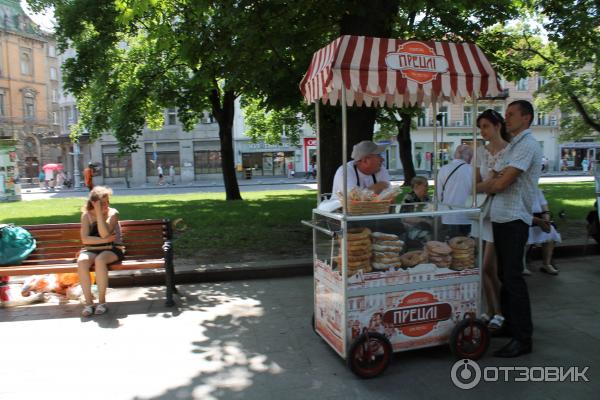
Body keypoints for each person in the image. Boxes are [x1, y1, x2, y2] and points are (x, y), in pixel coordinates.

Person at [477, 100, 542, 358]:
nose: (507, 118)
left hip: (515, 220)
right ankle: (511, 326)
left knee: (514, 279)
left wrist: (483, 186)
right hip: (502, 219)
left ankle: (523, 338)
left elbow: (500, 183)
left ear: (526, 118)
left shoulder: (527, 145)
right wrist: (490, 183)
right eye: (506, 115)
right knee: (505, 275)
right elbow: (493, 179)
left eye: (512, 114)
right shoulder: (515, 145)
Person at [472, 109, 510, 332]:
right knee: (483, 268)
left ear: (498, 126)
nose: (483, 131)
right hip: (483, 212)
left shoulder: (510, 151)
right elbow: (475, 185)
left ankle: (500, 312)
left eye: (486, 126)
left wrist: (492, 184)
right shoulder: (480, 152)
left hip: (502, 212)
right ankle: (491, 310)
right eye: (481, 127)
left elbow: (505, 184)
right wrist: (491, 183)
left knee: (488, 266)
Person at [77, 186, 125, 317]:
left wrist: (99, 213)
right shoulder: (86, 216)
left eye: (107, 201)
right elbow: (85, 240)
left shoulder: (113, 213)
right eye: (103, 203)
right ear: (94, 203)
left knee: (100, 260)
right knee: (81, 261)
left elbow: (104, 234)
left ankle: (102, 302)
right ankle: (88, 303)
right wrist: (101, 240)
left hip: (113, 248)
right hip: (92, 249)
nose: (107, 205)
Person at [436, 144, 473, 238]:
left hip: (448, 215)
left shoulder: (443, 169)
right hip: (467, 216)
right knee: (465, 249)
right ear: (468, 156)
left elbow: (439, 194)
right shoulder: (472, 170)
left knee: (450, 246)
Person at [525, 188, 561, 275]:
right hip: (525, 219)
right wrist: (538, 221)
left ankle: (547, 264)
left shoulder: (537, 191)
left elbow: (545, 208)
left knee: (551, 230)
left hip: (539, 219)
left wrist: (546, 220)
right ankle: (521, 266)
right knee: (525, 232)